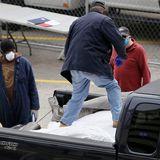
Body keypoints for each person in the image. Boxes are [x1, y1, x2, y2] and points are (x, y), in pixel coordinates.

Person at [59, 0, 127, 128]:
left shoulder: (77, 21)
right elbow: (118, 39)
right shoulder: (105, 20)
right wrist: (122, 57)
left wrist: (71, 62)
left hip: (74, 64)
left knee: (78, 95)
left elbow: (68, 45)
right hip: (93, 64)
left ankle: (64, 123)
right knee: (112, 86)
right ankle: (117, 120)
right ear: (104, 11)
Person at [0, 39, 40, 128]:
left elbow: (32, 86)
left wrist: (35, 107)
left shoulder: (24, 63)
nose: (10, 53)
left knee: (24, 130)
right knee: (9, 133)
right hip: (4, 108)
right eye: (7, 51)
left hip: (23, 107)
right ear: (2, 52)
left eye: (11, 50)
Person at [110, 26, 151, 92]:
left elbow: (145, 72)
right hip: (116, 91)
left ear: (129, 37)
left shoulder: (138, 50)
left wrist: (144, 91)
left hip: (131, 92)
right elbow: (112, 66)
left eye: (123, 37)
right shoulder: (116, 49)